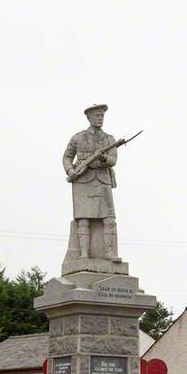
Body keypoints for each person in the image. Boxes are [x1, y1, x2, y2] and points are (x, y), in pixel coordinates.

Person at [62, 103, 119, 261]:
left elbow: (113, 159)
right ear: (89, 117)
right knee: (84, 219)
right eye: (97, 115)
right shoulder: (78, 138)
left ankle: (110, 253)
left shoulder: (109, 139)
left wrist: (103, 158)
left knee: (109, 219)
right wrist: (70, 170)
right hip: (82, 180)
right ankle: (84, 254)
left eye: (102, 115)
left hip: (102, 180)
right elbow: (67, 157)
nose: (100, 118)